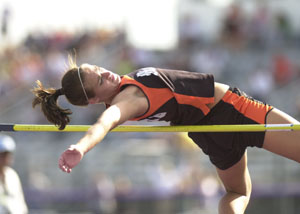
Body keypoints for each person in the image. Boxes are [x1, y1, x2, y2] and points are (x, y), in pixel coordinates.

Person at [32, 56, 300, 214]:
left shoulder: (124, 92)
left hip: (207, 133)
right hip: (232, 110)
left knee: (236, 192)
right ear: (93, 101)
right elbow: (105, 123)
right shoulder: (128, 100)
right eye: (101, 81)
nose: (108, 74)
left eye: (99, 70)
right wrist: (81, 146)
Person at [0, 135, 28, 214]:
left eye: (8, 155)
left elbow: (21, 204)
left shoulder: (12, 176)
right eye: (2, 155)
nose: (5, 158)